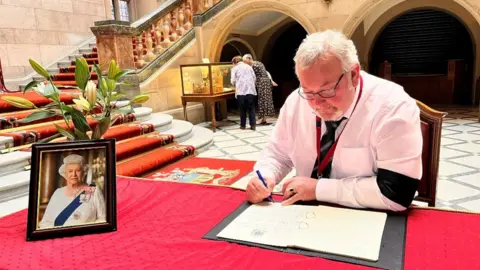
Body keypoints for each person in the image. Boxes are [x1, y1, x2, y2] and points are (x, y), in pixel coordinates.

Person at [246, 30, 422, 212]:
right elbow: (278, 153)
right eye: (308, 92)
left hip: (366, 217)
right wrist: (265, 176)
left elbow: (396, 193)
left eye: (327, 91)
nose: (316, 104)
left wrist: (318, 189)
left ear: (353, 74)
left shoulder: (392, 106)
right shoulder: (296, 101)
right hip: (303, 215)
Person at [38, 154, 106, 229]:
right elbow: (45, 222)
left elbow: (103, 219)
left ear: (84, 172)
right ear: (65, 174)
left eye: (78, 171)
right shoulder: (58, 193)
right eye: (70, 171)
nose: (74, 174)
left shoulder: (93, 190)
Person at [242, 54, 276, 125]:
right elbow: (266, 72)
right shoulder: (259, 63)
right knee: (264, 99)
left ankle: (261, 118)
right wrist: (271, 80)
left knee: (262, 100)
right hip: (266, 82)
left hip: (262, 83)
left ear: (249, 59)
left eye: (245, 61)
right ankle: (263, 119)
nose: (245, 63)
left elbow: (252, 76)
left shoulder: (253, 66)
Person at [230, 56, 257, 130]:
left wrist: (235, 85)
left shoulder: (234, 68)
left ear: (235, 62)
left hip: (241, 91)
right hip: (250, 90)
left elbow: (233, 81)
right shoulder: (249, 67)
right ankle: (253, 125)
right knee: (251, 108)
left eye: (232, 63)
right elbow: (254, 78)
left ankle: (243, 125)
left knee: (242, 109)